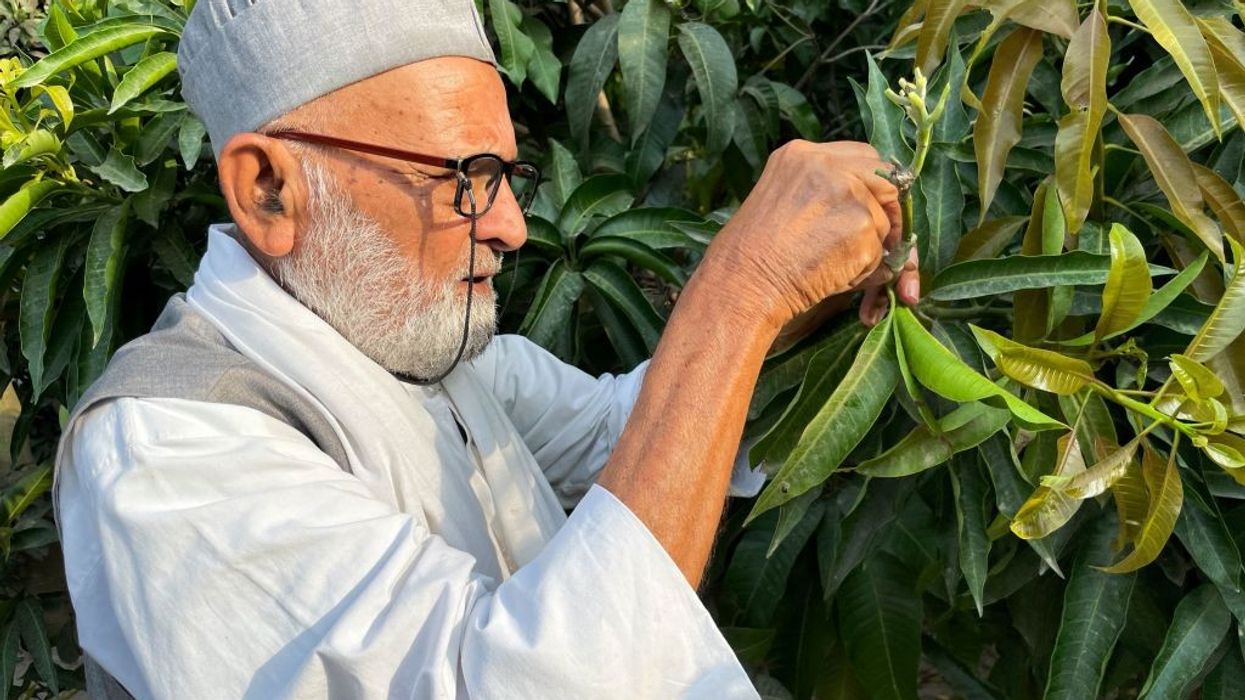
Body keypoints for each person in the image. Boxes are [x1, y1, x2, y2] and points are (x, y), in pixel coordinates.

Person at [53, 0, 920, 697]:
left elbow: (633, 431)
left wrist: (800, 311)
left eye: (505, 176)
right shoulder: (168, 452)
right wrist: (739, 289)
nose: (509, 226)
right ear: (268, 190)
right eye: (459, 180)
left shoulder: (429, 353)